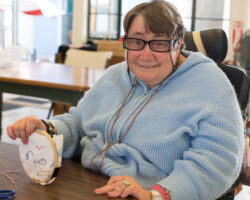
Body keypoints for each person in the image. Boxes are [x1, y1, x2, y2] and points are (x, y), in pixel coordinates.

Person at [7, 1, 244, 200]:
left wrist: (157, 194)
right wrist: (47, 129)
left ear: (178, 42)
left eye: (159, 43)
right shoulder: (116, 75)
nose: (146, 54)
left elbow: (217, 161)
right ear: (126, 41)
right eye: (136, 41)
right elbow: (78, 123)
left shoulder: (211, 86)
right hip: (89, 181)